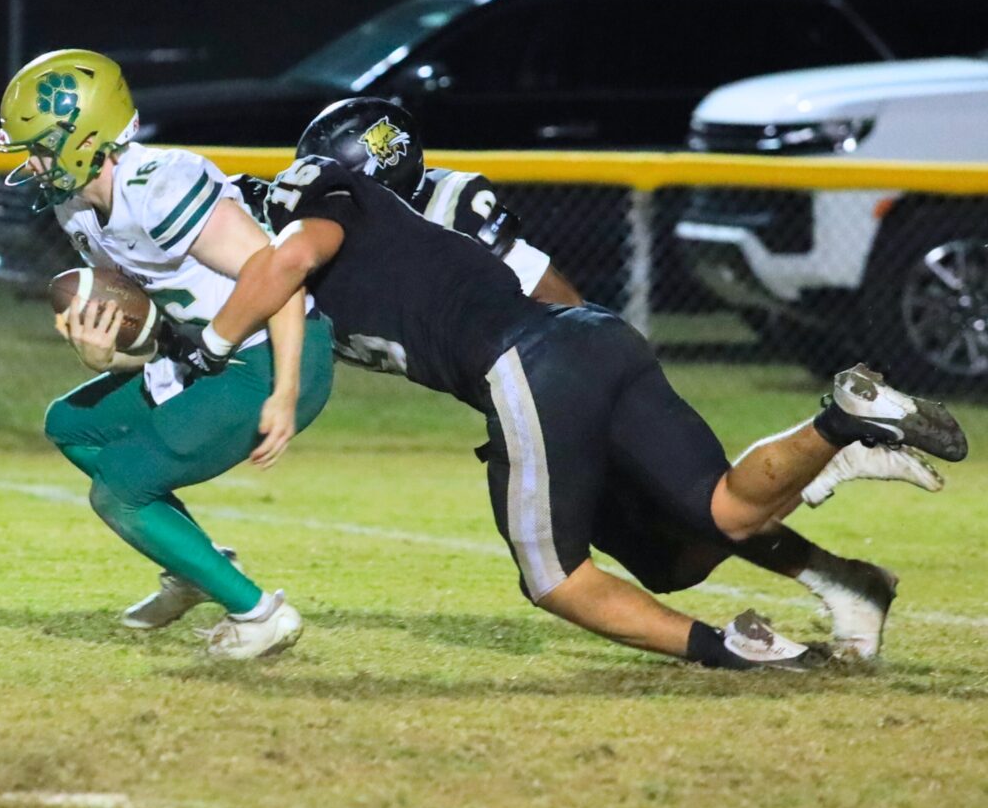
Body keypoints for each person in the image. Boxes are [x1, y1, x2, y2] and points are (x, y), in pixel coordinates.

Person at [177, 152, 968, 670]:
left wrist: (207, 347)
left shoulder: (325, 203)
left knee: (553, 578)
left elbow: (289, 255)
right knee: (702, 529)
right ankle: (841, 425)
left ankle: (740, 654)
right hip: (584, 345)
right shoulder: (339, 250)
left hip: (530, 366)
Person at [0, 49, 334, 659]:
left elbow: (279, 275)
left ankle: (259, 616)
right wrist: (108, 360)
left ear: (85, 137)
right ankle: (195, 565)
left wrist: (284, 391)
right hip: (206, 355)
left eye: (39, 146)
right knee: (72, 424)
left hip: (272, 352)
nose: (32, 163)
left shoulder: (160, 185)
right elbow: (157, 331)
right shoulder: (79, 208)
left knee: (120, 490)